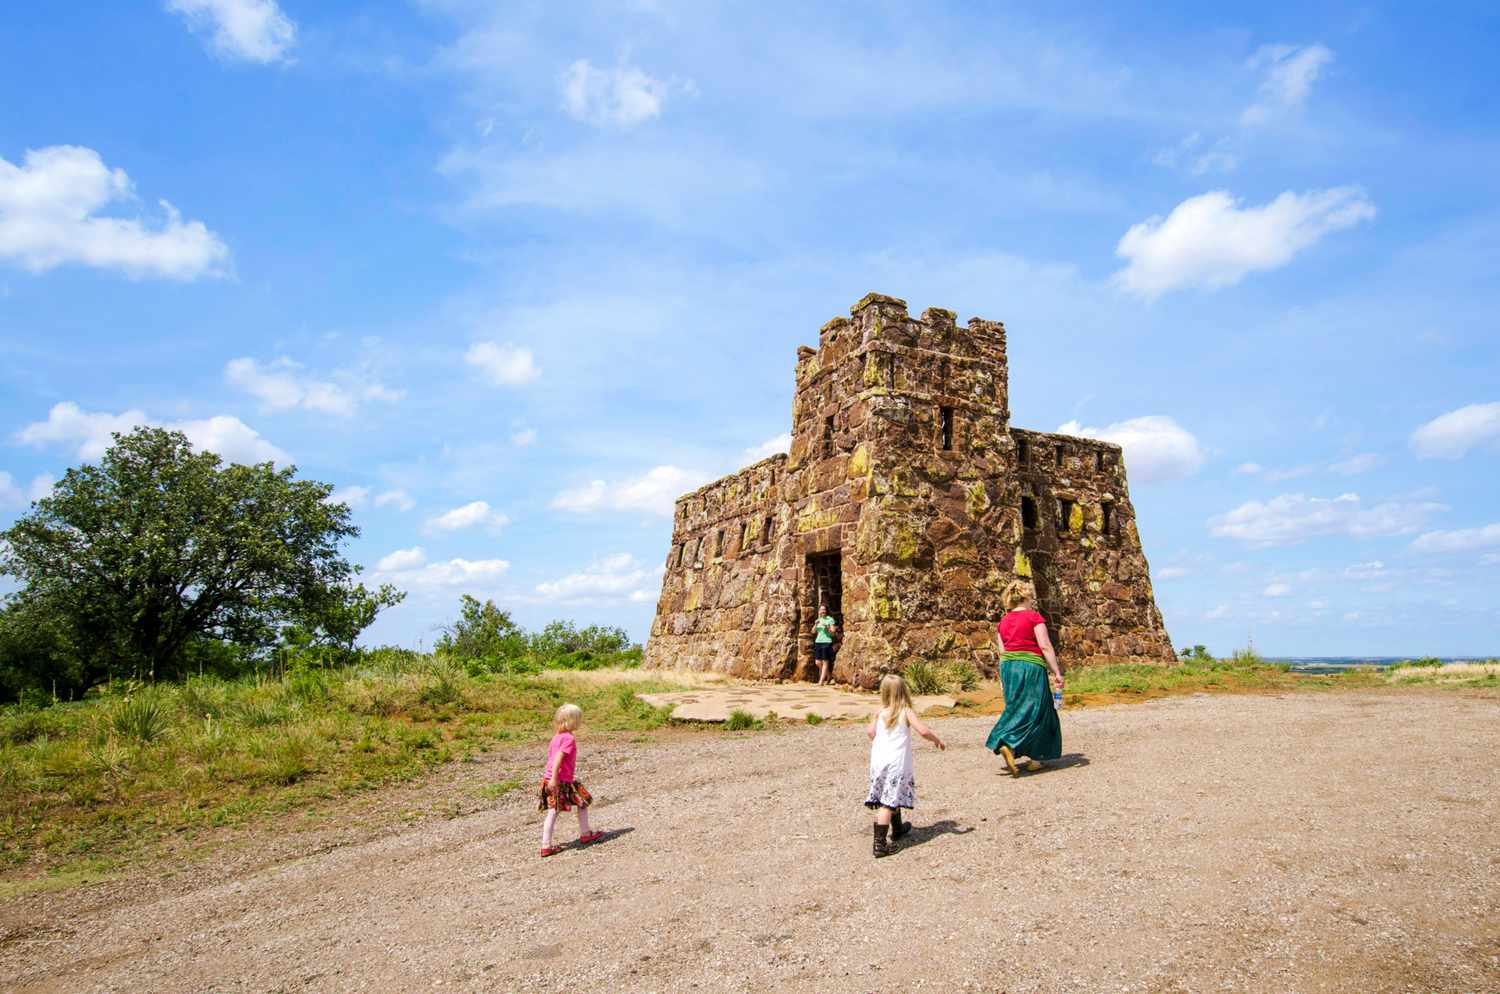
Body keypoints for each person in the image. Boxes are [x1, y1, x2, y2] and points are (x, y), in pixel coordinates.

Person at [985, 580, 1064, 776]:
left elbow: (1003, 653)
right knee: (1039, 710)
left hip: (1009, 668)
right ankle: (1018, 749)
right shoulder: (1034, 618)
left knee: (1017, 707)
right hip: (1030, 666)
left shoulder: (1003, 622)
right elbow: (1045, 646)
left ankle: (1023, 752)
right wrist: (1056, 672)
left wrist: (1003, 679)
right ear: (1028, 597)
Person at [865, 673, 946, 857]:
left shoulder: (880, 712)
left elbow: (870, 732)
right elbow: (923, 731)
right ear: (904, 691)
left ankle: (898, 828)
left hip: (878, 761)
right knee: (888, 802)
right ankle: (880, 845)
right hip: (896, 762)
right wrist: (936, 740)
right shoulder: (906, 711)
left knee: (890, 792)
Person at [539, 703, 603, 856]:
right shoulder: (568, 739)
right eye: (578, 719)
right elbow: (558, 758)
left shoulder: (556, 737)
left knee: (582, 802)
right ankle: (546, 845)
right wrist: (554, 778)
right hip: (560, 781)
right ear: (572, 721)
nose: (580, 722)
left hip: (555, 779)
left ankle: (585, 833)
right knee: (554, 811)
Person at [813, 607, 838, 684]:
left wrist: (827, 627)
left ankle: (821, 681)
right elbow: (813, 631)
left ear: (826, 611)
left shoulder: (830, 619)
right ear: (819, 611)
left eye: (824, 610)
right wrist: (815, 624)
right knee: (817, 662)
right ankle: (829, 675)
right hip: (818, 642)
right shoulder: (818, 620)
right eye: (821, 610)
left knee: (825, 662)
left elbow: (833, 632)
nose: (822, 611)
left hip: (827, 642)